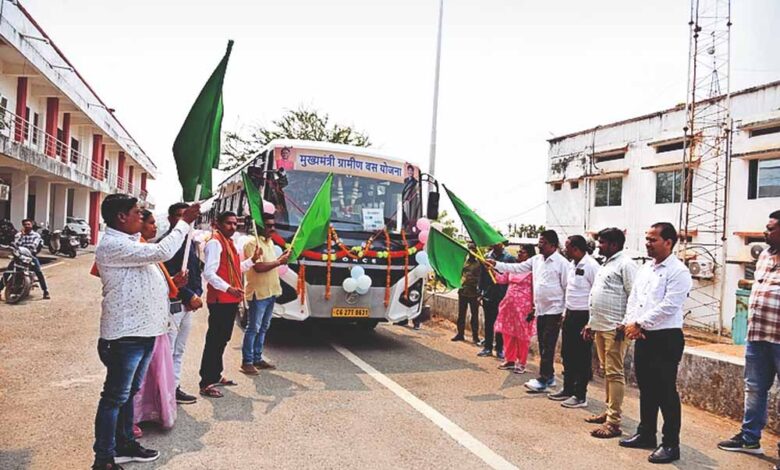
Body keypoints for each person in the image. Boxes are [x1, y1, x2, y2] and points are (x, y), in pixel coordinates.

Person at [91, 194, 199, 470]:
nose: (142, 217)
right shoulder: (113, 245)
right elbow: (163, 252)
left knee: (128, 394)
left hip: (143, 333)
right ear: (121, 217)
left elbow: (144, 282)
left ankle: (125, 444)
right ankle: (104, 458)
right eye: (137, 213)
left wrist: (173, 282)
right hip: (125, 337)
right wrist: (184, 223)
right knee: (115, 397)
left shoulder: (132, 243)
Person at [619, 222, 692, 465]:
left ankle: (671, 443)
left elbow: (670, 305)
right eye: (647, 239)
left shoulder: (678, 271)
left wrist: (640, 323)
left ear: (668, 242)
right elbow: (635, 298)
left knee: (665, 392)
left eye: (653, 240)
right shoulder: (646, 269)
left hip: (665, 337)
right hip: (643, 336)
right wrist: (631, 322)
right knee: (646, 388)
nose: (648, 244)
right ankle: (646, 432)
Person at [718, 210, 780, 464]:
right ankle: (749, 438)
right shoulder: (765, 255)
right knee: (754, 388)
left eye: (771, 228)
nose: (765, 232)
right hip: (757, 335)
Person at [490, 230, 569, 393]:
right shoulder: (536, 260)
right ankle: (549, 376)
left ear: (553, 245)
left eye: (543, 243)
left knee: (548, 346)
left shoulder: (562, 263)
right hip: (541, 309)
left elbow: (567, 288)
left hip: (554, 311)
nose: (540, 245)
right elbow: (516, 268)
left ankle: (544, 379)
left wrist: (564, 312)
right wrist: (495, 264)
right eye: (539, 242)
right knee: (543, 345)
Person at [199, 211, 263, 398]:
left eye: (235, 224)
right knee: (214, 341)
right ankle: (206, 382)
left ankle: (215, 375)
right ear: (217, 223)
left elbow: (235, 268)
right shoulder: (215, 242)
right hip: (221, 300)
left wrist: (252, 260)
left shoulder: (229, 243)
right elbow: (209, 274)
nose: (233, 227)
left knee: (222, 340)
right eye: (228, 223)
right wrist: (228, 289)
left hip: (230, 299)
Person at [583, 227, 637, 439]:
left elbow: (634, 296)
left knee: (614, 373)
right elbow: (598, 296)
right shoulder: (606, 264)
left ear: (614, 244)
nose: (599, 246)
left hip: (615, 329)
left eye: (602, 243)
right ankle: (608, 412)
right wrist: (590, 323)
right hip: (600, 325)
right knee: (607, 371)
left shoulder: (626, 264)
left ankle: (613, 423)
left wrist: (625, 323)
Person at [133, 210, 181, 431]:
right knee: (139, 378)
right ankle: (133, 419)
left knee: (156, 372)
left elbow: (154, 284)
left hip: (157, 322)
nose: (154, 227)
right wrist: (187, 222)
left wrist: (173, 282)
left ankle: (153, 413)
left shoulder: (146, 248)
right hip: (142, 325)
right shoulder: (137, 249)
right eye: (151, 223)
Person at [549, 235, 599, 408]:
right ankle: (568, 388)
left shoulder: (591, 266)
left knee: (581, 357)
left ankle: (580, 395)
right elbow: (569, 291)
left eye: (568, 246)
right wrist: (564, 313)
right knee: (567, 354)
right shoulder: (571, 265)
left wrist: (591, 322)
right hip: (570, 314)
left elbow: (596, 295)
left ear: (576, 248)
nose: (565, 249)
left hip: (584, 316)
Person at [161, 203, 204, 405]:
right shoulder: (167, 244)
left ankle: (174, 387)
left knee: (179, 350)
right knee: (167, 351)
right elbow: (167, 276)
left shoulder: (190, 242)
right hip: (173, 304)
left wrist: (197, 294)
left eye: (187, 217)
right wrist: (189, 296)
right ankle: (163, 392)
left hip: (188, 306)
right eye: (179, 216)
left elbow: (195, 274)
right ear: (170, 219)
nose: (184, 220)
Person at [240, 212, 289, 375]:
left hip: (271, 292)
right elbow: (259, 268)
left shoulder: (269, 243)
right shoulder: (251, 243)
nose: (272, 229)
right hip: (258, 293)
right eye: (268, 226)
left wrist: (281, 259)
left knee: (264, 328)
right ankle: (247, 362)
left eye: (273, 226)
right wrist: (278, 262)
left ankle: (257, 358)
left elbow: (271, 264)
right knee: (253, 327)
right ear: (259, 227)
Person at [494, 244, 536, 374]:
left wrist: (534, 307)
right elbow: (501, 280)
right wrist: (491, 269)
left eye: (522, 252)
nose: (519, 254)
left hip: (524, 307)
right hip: (509, 306)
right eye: (519, 252)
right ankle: (510, 359)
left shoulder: (533, 271)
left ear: (529, 255)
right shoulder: (514, 268)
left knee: (522, 335)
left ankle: (521, 362)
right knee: (508, 332)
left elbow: (536, 289)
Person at [477, 242, 516, 358]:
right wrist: (480, 292)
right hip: (488, 295)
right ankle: (487, 347)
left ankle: (500, 348)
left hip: (502, 296)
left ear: (502, 243)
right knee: (489, 322)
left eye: (496, 242)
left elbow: (512, 278)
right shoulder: (487, 257)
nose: (494, 244)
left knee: (501, 324)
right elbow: (482, 276)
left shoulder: (509, 258)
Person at [0, 218, 49, 299]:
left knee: (39, 272)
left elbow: (34, 245)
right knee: (7, 272)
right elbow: (16, 244)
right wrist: (21, 236)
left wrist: (30, 248)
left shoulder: (36, 235)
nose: (27, 226)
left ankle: (45, 291)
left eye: (28, 224)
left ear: (32, 225)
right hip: (19, 256)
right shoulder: (19, 235)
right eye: (25, 224)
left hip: (30, 256)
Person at [452, 243, 482, 343]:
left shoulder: (479, 264)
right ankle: (460, 334)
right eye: (470, 249)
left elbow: (481, 279)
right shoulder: (463, 263)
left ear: (477, 251)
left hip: (474, 293)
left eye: (473, 249)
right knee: (461, 315)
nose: (471, 252)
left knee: (474, 316)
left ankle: (475, 336)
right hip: (463, 291)